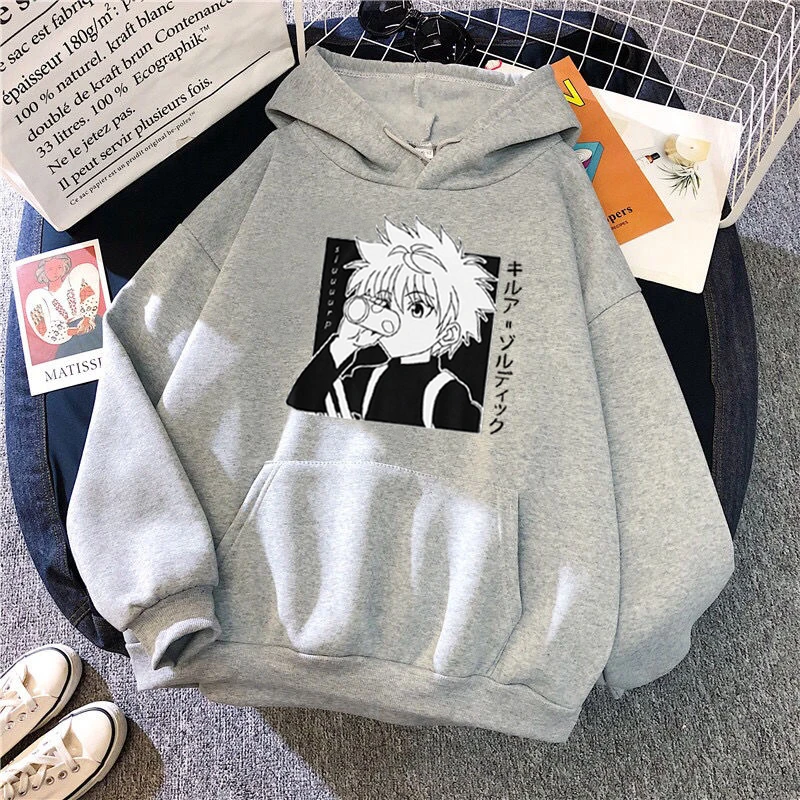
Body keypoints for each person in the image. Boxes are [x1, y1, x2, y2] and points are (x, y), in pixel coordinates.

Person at [287, 218, 496, 432]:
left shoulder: (447, 394)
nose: (396, 315)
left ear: (448, 333)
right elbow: (301, 407)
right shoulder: (364, 380)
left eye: (417, 308)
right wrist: (344, 344)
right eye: (385, 302)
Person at [25, 253, 102, 359]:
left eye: (59, 267)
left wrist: (87, 319)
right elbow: (44, 329)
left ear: (64, 267)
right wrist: (74, 331)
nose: (55, 272)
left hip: (91, 326)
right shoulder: (38, 296)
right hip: (69, 337)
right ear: (43, 272)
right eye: (50, 269)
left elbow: (89, 296)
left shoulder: (75, 279)